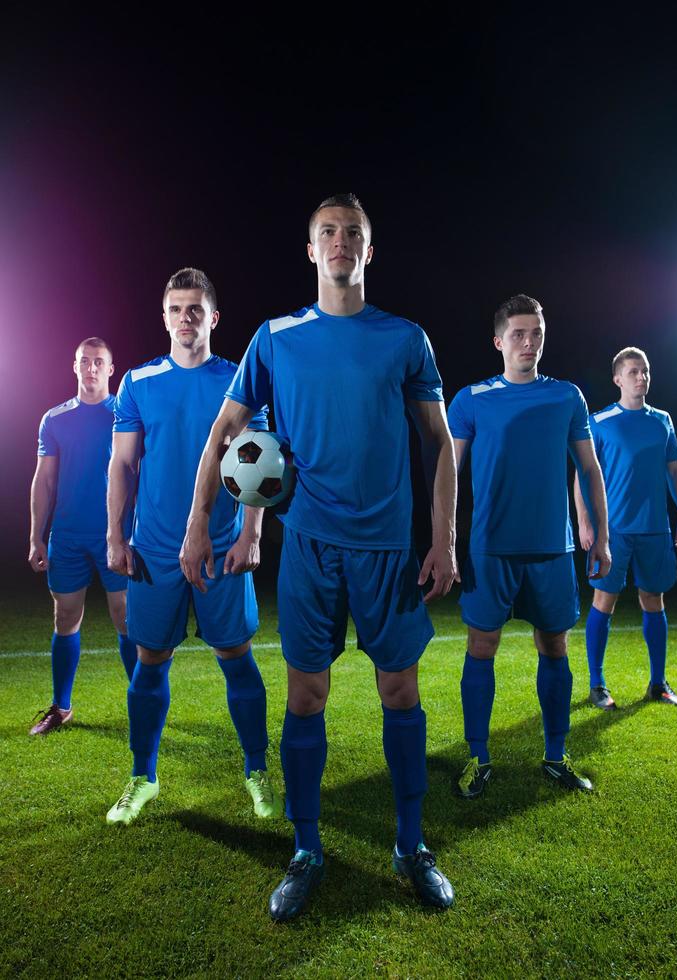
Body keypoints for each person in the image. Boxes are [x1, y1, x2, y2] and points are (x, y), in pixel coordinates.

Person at [180, 194, 458, 921]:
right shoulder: (275, 339)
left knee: (401, 694)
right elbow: (222, 437)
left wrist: (444, 539)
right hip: (306, 545)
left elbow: (441, 445)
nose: (341, 242)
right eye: (328, 232)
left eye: (354, 234)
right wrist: (195, 528)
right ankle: (306, 852)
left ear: (370, 250)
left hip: (388, 548)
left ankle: (409, 843)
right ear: (310, 251)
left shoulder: (405, 338)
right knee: (307, 697)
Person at [105, 268, 281, 826]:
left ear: (213, 318)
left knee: (235, 655)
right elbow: (123, 465)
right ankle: (143, 776)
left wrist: (252, 533)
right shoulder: (137, 382)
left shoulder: (238, 382)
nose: (186, 318)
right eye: (177, 309)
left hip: (223, 545)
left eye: (195, 310)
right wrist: (114, 534)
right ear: (164, 317)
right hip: (154, 550)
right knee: (151, 659)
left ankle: (256, 770)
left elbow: (261, 459)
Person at [448, 294, 611, 799]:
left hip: (552, 548)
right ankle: (478, 757)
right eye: (518, 333)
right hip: (490, 548)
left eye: (536, 333)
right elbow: (448, 475)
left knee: (555, 646)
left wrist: (600, 535)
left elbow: (589, 469)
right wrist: (443, 538)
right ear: (498, 341)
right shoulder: (472, 398)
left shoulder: (567, 396)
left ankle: (556, 755)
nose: (528, 342)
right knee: (482, 647)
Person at [574, 346, 677, 709]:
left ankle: (658, 684)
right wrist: (584, 523)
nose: (641, 377)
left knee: (653, 600)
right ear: (617, 379)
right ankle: (598, 686)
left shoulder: (662, 420)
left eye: (645, 371)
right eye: (633, 372)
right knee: (603, 600)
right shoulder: (600, 421)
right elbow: (581, 476)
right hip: (612, 532)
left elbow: (675, 470)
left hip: (655, 529)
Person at [28, 338, 137, 735]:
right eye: (84, 361)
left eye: (99, 362)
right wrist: (36, 536)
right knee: (65, 616)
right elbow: (45, 479)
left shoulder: (125, 413)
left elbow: (137, 474)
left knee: (125, 617)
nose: (91, 368)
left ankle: (142, 699)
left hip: (116, 534)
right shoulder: (54, 419)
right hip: (68, 535)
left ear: (111, 369)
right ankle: (62, 707)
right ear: (74, 366)